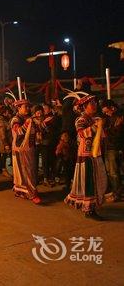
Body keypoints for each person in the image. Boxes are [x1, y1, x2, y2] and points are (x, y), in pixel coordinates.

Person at [64, 92, 108, 220]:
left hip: (96, 154)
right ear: (84, 107)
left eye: (94, 103)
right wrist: (96, 126)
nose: (94, 105)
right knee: (89, 182)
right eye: (91, 104)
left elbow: (102, 136)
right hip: (86, 156)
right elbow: (82, 134)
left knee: (99, 180)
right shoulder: (80, 120)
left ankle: (93, 206)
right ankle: (89, 209)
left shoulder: (95, 119)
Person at [10, 94, 41, 204]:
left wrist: (41, 123)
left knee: (30, 170)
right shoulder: (15, 119)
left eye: (28, 107)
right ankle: (30, 193)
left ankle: (25, 190)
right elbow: (18, 132)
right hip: (20, 148)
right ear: (18, 108)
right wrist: (27, 124)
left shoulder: (29, 118)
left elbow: (39, 130)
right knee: (25, 170)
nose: (27, 109)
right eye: (25, 107)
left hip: (30, 147)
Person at [102, 100, 123, 201]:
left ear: (112, 108)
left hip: (114, 147)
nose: (106, 113)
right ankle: (114, 191)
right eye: (105, 112)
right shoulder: (108, 118)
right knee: (110, 171)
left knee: (114, 172)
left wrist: (105, 132)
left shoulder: (119, 117)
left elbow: (118, 133)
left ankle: (117, 194)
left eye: (107, 111)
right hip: (108, 147)